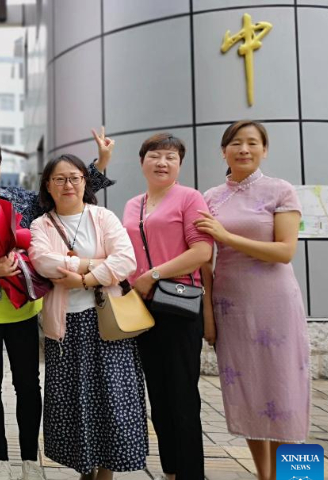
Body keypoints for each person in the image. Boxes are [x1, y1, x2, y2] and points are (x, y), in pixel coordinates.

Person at [0, 129, 116, 480]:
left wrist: (100, 161)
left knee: (27, 384)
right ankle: (0, 459)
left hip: (24, 308)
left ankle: (28, 457)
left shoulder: (22, 199)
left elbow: (68, 192)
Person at [195, 120, 309, 480]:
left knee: (283, 387)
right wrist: (209, 315)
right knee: (246, 389)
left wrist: (227, 235)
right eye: (236, 143)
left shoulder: (281, 190)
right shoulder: (210, 197)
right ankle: (263, 475)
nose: (244, 149)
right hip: (232, 305)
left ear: (264, 150)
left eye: (253, 143)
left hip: (275, 302)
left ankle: (287, 474)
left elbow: (284, 251)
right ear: (224, 151)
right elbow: (205, 263)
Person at [29, 154, 145, 479]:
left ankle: (106, 473)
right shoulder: (41, 225)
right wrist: (98, 263)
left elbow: (127, 261)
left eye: (75, 177)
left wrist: (84, 275)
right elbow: (42, 262)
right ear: (48, 186)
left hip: (109, 322)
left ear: (85, 182)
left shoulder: (103, 217)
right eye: (60, 179)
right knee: (75, 404)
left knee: (113, 400)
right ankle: (84, 470)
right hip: (66, 326)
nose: (68, 184)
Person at [121, 133, 213, 480]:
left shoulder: (191, 198)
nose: (162, 162)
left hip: (178, 304)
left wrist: (153, 275)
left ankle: (191, 474)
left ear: (179, 164)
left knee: (182, 394)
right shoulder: (133, 204)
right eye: (155, 156)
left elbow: (202, 252)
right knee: (157, 393)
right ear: (142, 161)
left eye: (171, 157)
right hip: (143, 306)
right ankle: (171, 470)